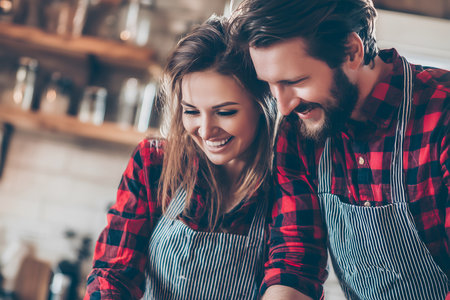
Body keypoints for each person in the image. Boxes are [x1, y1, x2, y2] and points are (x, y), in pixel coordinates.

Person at [230, 0, 450, 299]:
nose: (284, 105)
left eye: (295, 81)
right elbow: (296, 258)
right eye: (271, 84)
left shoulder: (442, 112)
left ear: (351, 51)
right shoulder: (298, 132)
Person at [84, 15, 276, 299]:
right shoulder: (154, 164)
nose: (206, 130)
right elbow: (114, 273)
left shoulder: (287, 185)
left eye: (225, 112)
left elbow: (295, 278)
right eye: (191, 111)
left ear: (263, 106)